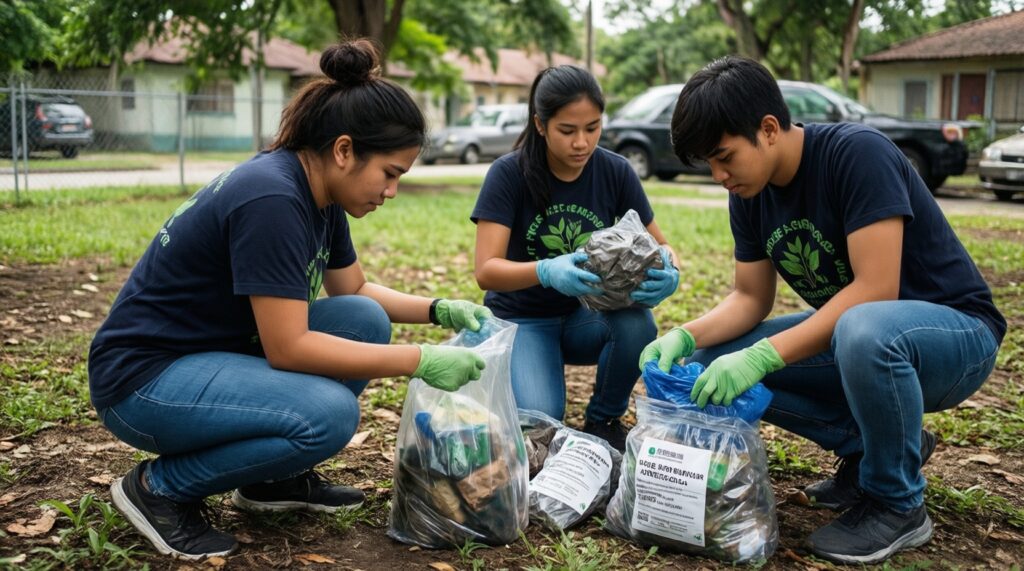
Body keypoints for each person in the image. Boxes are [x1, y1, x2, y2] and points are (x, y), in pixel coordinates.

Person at [88, 40, 492, 561]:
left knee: (361, 317)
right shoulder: (273, 198)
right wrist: (420, 361)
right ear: (344, 150)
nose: (391, 191)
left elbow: (356, 291)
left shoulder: (319, 193)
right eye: (390, 173)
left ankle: (271, 480)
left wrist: (440, 309)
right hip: (143, 382)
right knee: (328, 415)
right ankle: (158, 488)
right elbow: (289, 348)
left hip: (205, 357)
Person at [640, 56, 1005, 564]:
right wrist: (685, 336)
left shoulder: (856, 155)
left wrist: (763, 357)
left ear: (768, 129)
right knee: (709, 361)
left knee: (860, 328)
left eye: (724, 157)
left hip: (955, 337)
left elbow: (876, 289)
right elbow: (750, 297)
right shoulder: (750, 192)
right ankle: (875, 448)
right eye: (709, 164)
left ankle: (898, 504)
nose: (719, 175)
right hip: (864, 340)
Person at [471, 65, 680, 452]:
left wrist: (669, 269)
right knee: (543, 421)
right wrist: (546, 270)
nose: (582, 142)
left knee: (637, 324)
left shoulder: (615, 171)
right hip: (522, 318)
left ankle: (603, 418)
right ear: (540, 124)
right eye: (567, 131)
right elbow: (486, 271)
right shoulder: (508, 174)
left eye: (593, 127)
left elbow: (661, 244)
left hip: (587, 315)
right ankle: (509, 373)